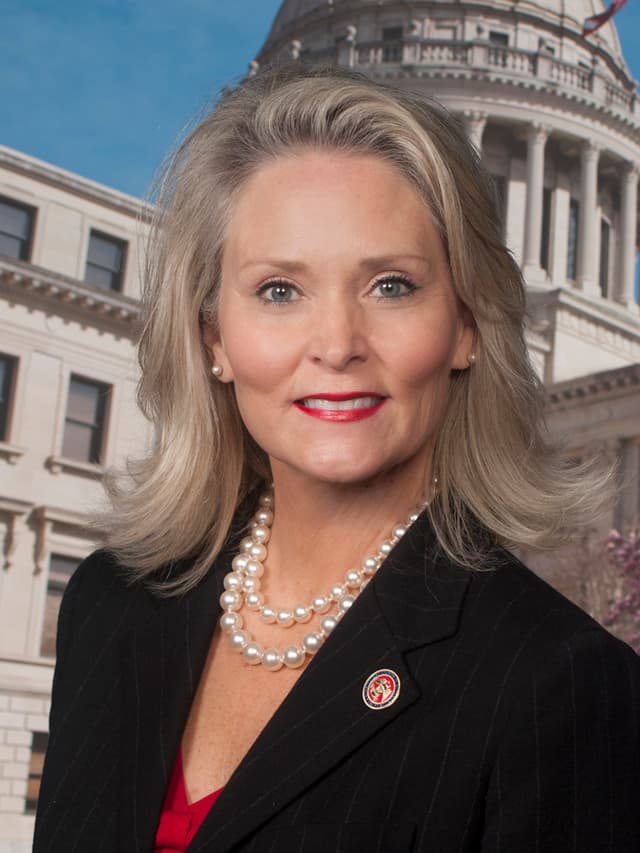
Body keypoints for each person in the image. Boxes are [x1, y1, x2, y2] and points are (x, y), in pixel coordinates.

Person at [33, 64, 639, 853]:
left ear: (467, 327)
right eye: (280, 290)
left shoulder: (562, 684)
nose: (337, 346)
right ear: (214, 336)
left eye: (391, 285)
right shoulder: (109, 605)